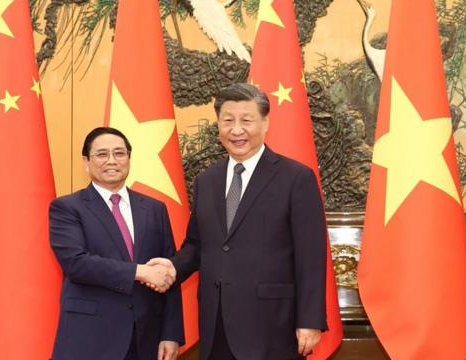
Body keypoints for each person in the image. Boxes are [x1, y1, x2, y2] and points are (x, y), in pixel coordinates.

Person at [149, 83, 328, 359]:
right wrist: (172, 267)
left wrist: (310, 320)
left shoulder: (296, 178)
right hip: (216, 322)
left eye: (246, 120)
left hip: (273, 324)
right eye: (228, 121)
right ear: (218, 125)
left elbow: (311, 255)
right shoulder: (206, 181)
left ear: (265, 123)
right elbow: (198, 245)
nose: (236, 130)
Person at [49, 127, 184, 360]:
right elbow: (77, 264)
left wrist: (171, 333)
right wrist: (139, 272)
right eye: (102, 154)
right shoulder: (67, 208)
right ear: (86, 162)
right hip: (90, 338)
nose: (112, 161)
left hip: (145, 339)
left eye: (119, 153)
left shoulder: (154, 209)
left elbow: (168, 270)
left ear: (129, 158)